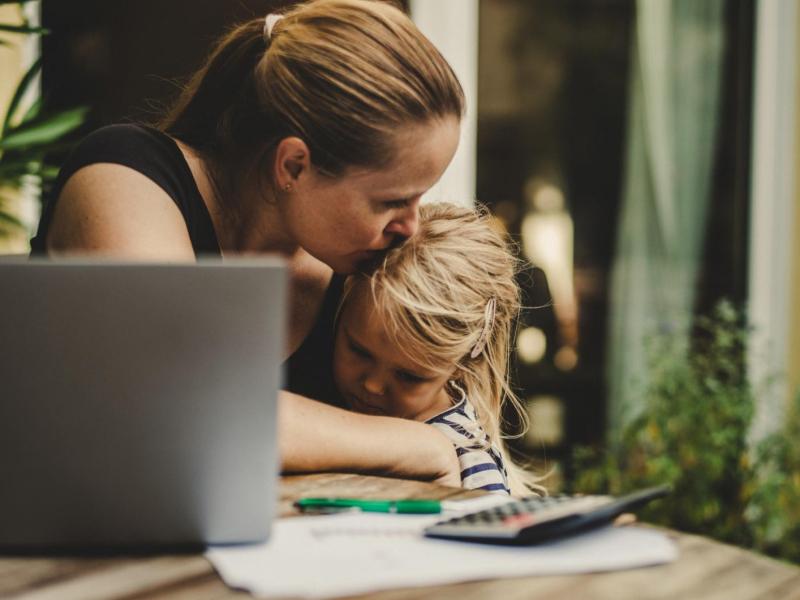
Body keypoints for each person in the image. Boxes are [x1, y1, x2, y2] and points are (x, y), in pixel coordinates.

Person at [30, 0, 466, 485]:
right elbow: (182, 416)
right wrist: (418, 444)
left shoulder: (356, 266)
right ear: (294, 166)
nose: (411, 226)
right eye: (391, 201)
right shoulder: (125, 181)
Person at [333, 203, 543, 496]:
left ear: (460, 363)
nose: (372, 385)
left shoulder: (468, 464)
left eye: (409, 376)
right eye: (358, 351)